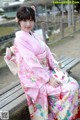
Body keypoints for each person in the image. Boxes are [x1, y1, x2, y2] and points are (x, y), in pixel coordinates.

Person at [5, 6, 80, 120]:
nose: (28, 24)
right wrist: (48, 79)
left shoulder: (33, 34)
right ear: (19, 21)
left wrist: (55, 68)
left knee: (73, 84)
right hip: (34, 77)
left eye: (31, 20)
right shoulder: (20, 39)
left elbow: (47, 51)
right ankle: (62, 116)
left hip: (44, 70)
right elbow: (31, 62)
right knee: (69, 88)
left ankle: (62, 114)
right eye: (24, 20)